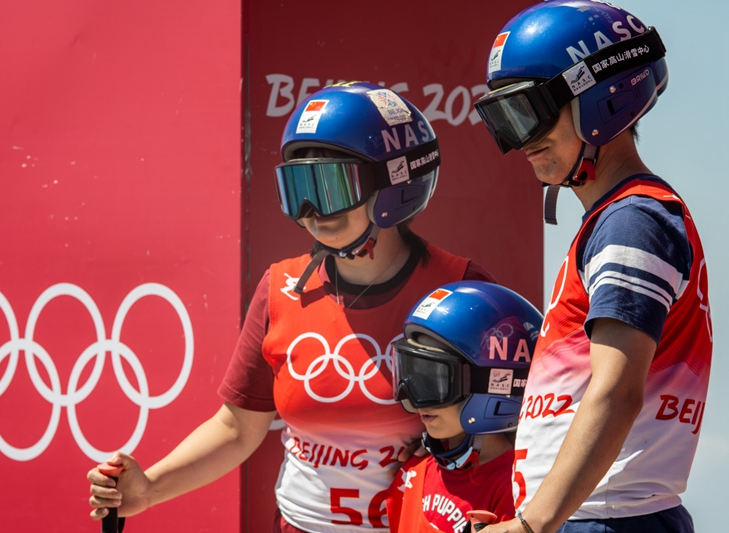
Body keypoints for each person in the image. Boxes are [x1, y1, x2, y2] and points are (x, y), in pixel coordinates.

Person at [88, 82, 497, 532]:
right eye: (298, 188)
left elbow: (509, 430)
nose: (312, 210)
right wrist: (149, 489)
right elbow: (236, 429)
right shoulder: (281, 287)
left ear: (393, 184)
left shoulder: (462, 290)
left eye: (330, 186)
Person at [473, 2, 713, 532]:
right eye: (504, 120)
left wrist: (532, 525)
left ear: (602, 98)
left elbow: (616, 391)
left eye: (528, 112)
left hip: (606, 519)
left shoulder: (633, 221)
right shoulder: (620, 219)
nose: (519, 142)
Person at [386, 281, 543, 533]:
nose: (415, 399)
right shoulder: (413, 472)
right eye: (412, 374)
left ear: (493, 383)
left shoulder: (518, 490)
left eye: (434, 380)